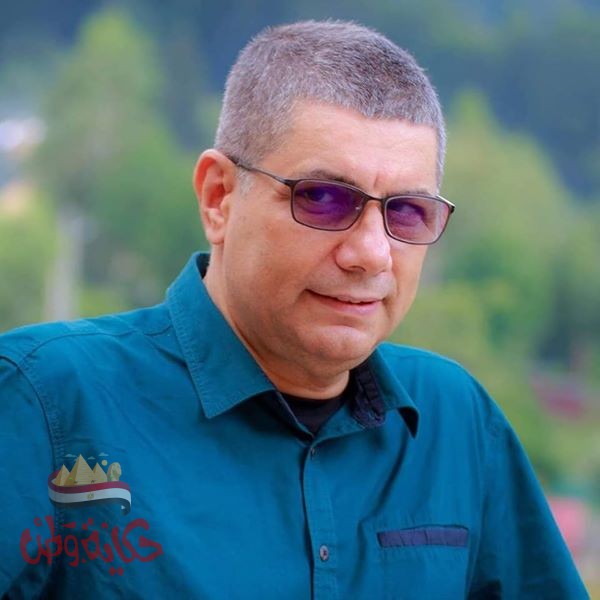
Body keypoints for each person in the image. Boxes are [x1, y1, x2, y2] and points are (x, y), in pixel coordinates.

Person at [0, 20, 588, 600]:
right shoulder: (44, 404)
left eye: (407, 211)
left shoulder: (455, 423)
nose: (371, 254)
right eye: (324, 198)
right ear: (219, 197)